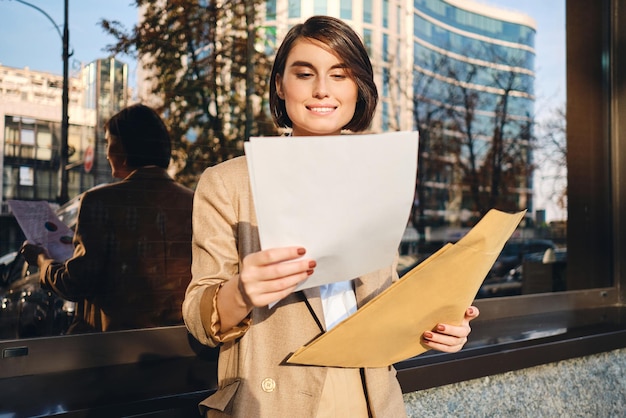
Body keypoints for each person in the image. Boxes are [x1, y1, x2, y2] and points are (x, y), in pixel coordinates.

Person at [182, 15, 479, 417]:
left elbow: (382, 300)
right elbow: (199, 318)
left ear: (359, 87)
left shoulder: (380, 175)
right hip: (272, 396)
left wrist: (436, 325)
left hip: (371, 394)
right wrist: (241, 292)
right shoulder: (228, 182)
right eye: (305, 74)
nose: (322, 89)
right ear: (280, 85)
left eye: (340, 75)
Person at [21, 104, 194, 334]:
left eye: (107, 142)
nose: (106, 151)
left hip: (110, 349)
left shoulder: (99, 201)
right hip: (182, 343)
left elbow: (76, 283)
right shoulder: (193, 202)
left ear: (123, 147)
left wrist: (42, 261)